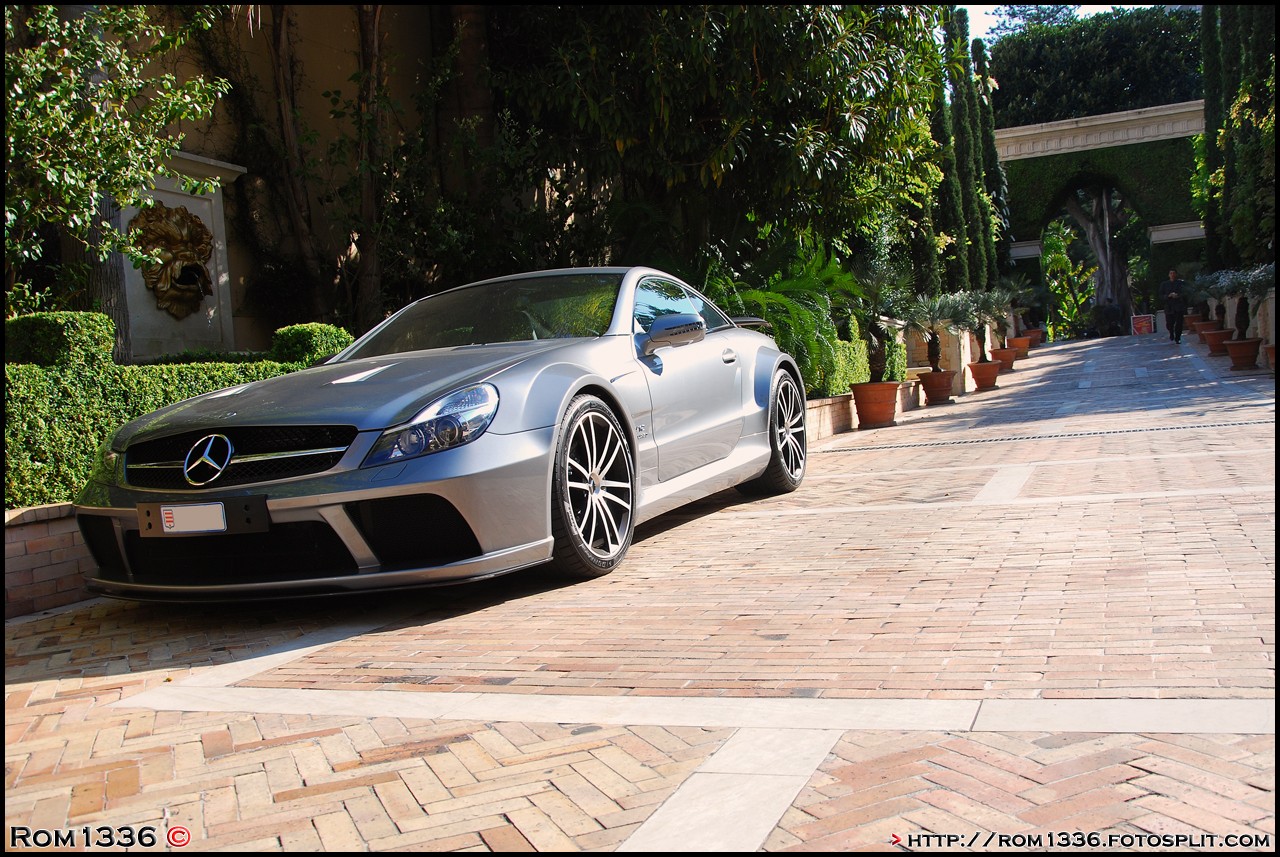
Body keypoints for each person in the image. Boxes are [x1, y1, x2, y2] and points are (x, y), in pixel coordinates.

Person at [1163, 271, 1188, 343]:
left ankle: (1178, 338)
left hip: (1178, 305)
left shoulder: (1181, 283)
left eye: (1174, 273)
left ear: (1176, 274)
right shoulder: (1164, 284)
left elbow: (1185, 293)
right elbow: (1161, 295)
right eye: (1171, 273)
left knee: (1179, 323)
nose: (1172, 275)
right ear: (1168, 275)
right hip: (1169, 306)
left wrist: (1178, 296)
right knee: (1169, 323)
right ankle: (1171, 332)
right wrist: (1168, 296)